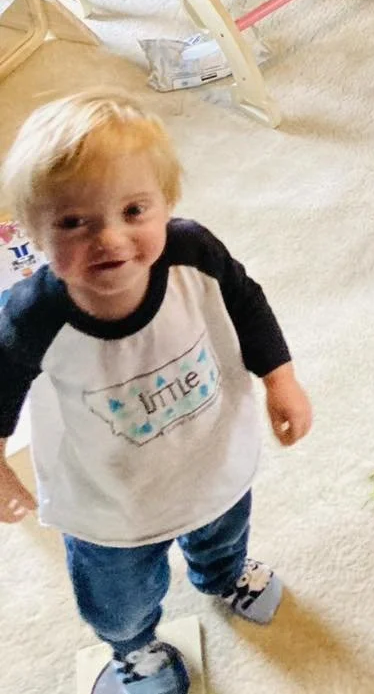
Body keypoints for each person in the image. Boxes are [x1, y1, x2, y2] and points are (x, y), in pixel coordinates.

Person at [0, 92, 313, 694]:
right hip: (109, 504)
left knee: (224, 532)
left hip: (209, 456)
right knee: (117, 598)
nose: (109, 238)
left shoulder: (192, 251)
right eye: (73, 222)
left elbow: (245, 301)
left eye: (134, 210)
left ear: (167, 203)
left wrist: (281, 378)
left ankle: (222, 577)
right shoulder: (32, 316)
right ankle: (135, 652)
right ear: (33, 233)